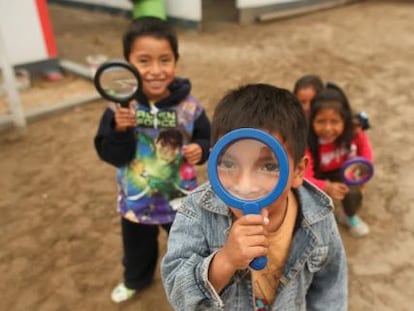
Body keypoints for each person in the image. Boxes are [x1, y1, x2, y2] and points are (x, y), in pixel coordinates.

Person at [161, 84, 347, 310]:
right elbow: (178, 293)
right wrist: (225, 261)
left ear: (298, 171)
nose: (245, 185)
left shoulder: (319, 216)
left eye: (268, 166)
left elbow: (330, 288)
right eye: (229, 163)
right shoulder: (197, 210)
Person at [94, 17, 211, 303]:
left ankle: (193, 282)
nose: (156, 70)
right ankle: (136, 279)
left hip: (180, 201)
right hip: (137, 200)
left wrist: (200, 148)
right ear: (127, 63)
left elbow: (208, 138)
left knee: (187, 247)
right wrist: (119, 130)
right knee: (136, 250)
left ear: (176, 60)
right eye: (144, 61)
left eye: (165, 60)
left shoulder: (190, 106)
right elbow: (112, 155)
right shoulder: (120, 108)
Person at [304, 82, 373, 238]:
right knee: (303, 194)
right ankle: (313, 222)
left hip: (343, 170)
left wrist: (362, 172)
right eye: (321, 121)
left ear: (345, 121)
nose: (328, 128)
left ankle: (348, 215)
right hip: (316, 174)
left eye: (334, 121)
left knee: (353, 191)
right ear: (311, 121)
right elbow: (303, 176)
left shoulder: (353, 131)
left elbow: (366, 152)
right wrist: (325, 186)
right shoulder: (307, 141)